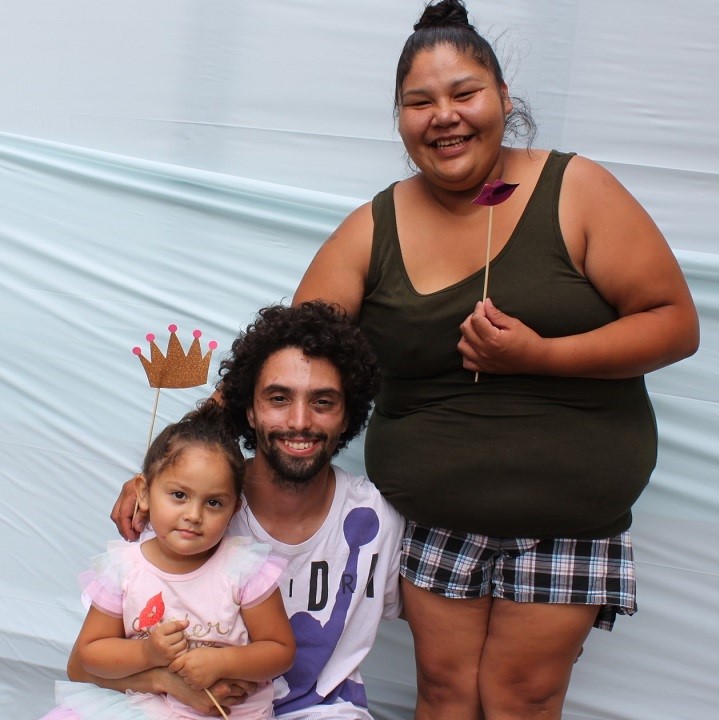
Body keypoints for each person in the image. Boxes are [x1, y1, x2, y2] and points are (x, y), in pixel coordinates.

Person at [291, 1, 700, 719]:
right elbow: (293, 360)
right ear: (400, 120)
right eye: (419, 102)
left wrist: (538, 355)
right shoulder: (372, 225)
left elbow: (673, 325)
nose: (442, 115)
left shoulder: (576, 190)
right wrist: (185, 455)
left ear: (503, 100)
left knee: (520, 699)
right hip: (434, 517)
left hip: (568, 516)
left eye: (463, 93)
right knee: (444, 696)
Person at [102, 301, 405, 719]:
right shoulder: (192, 513)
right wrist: (165, 682)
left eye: (322, 402)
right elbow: (94, 662)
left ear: (346, 415)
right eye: (279, 398)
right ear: (249, 409)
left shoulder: (377, 518)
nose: (299, 421)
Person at [42, 400, 295, 720]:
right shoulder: (124, 568)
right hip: (145, 706)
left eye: (214, 502)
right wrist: (146, 652)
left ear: (234, 508)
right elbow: (91, 653)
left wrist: (223, 662)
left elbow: (281, 651)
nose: (193, 515)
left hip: (227, 712)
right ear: (144, 493)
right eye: (179, 495)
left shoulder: (243, 568)